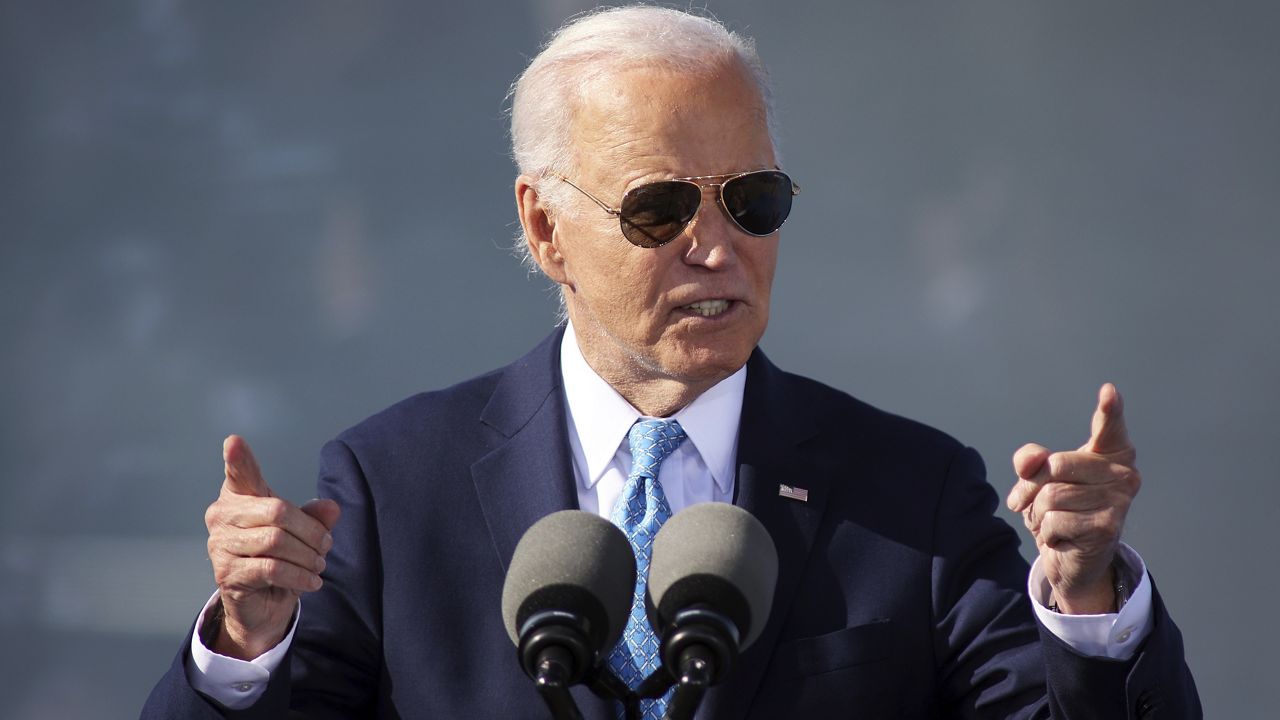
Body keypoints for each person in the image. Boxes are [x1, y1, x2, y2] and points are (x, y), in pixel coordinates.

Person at [143, 6, 1200, 718]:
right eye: (658, 208)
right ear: (546, 227)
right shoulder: (393, 484)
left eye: (752, 201)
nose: (716, 247)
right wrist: (245, 640)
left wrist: (1085, 601)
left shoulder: (907, 495)